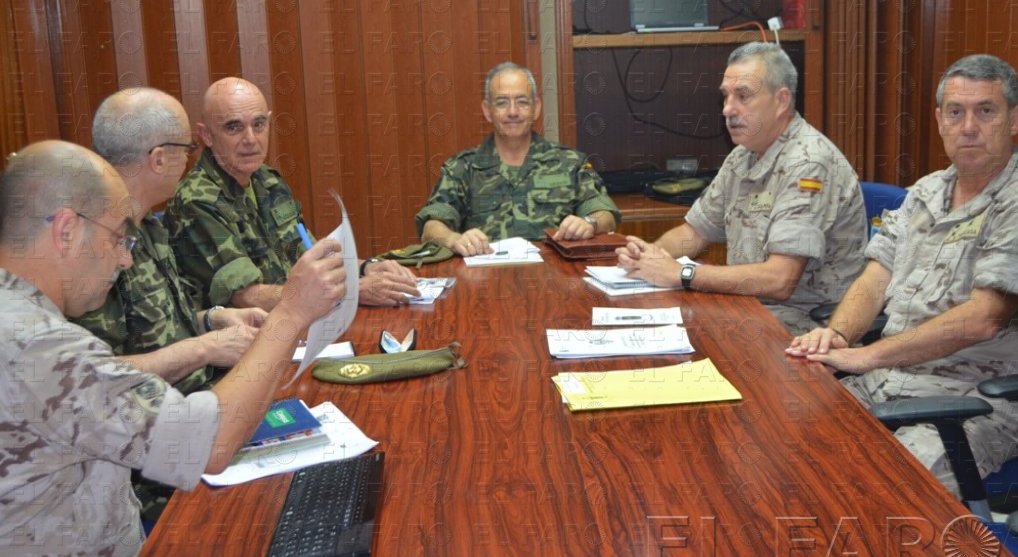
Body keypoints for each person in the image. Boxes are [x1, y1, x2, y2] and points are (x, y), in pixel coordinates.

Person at [0, 141, 346, 557]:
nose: (124, 260)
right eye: (119, 237)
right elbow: (210, 443)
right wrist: (291, 312)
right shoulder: (38, 343)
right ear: (66, 230)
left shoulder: (21, 320)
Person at [786, 54, 1018, 493]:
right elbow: (876, 278)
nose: (968, 125)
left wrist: (868, 355)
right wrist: (837, 335)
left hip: (971, 399)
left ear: (1014, 118)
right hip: (889, 379)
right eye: (956, 112)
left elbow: (984, 318)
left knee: (876, 490)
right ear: (939, 120)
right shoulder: (925, 192)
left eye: (985, 111)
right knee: (790, 449)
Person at [616, 42, 866, 334]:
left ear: (782, 100)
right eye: (726, 96)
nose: (727, 109)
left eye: (743, 96)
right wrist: (648, 257)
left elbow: (780, 280)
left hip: (803, 326)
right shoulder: (743, 155)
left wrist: (682, 273)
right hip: (745, 308)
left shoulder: (809, 163)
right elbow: (695, 233)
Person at [163, 77, 418, 312]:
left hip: (302, 319)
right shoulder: (197, 201)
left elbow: (307, 252)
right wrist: (350, 291)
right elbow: (245, 297)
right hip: (250, 341)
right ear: (206, 135)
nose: (251, 139)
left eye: (259, 124)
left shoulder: (267, 180)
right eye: (234, 127)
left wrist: (365, 267)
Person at [73, 87, 266, 395]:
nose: (190, 159)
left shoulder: (148, 227)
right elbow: (91, 377)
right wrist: (202, 349)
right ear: (159, 159)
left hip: (203, 397)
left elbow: (161, 327)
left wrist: (214, 320)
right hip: (154, 425)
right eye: (187, 148)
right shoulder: (90, 247)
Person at [415, 62, 621, 256]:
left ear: (536, 108)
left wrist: (588, 223)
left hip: (557, 280)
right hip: (485, 282)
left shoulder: (570, 162)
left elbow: (606, 214)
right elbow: (431, 226)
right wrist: (453, 239)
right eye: (502, 103)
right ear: (488, 111)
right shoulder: (462, 167)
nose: (512, 112)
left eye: (522, 102)